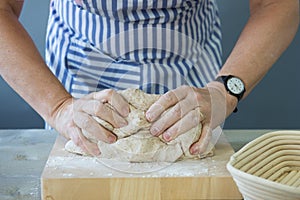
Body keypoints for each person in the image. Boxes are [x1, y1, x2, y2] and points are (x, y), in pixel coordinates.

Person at [0, 0, 298, 156]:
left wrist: (225, 90)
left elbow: (277, 3)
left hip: (192, 68)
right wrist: (58, 107)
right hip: (78, 76)